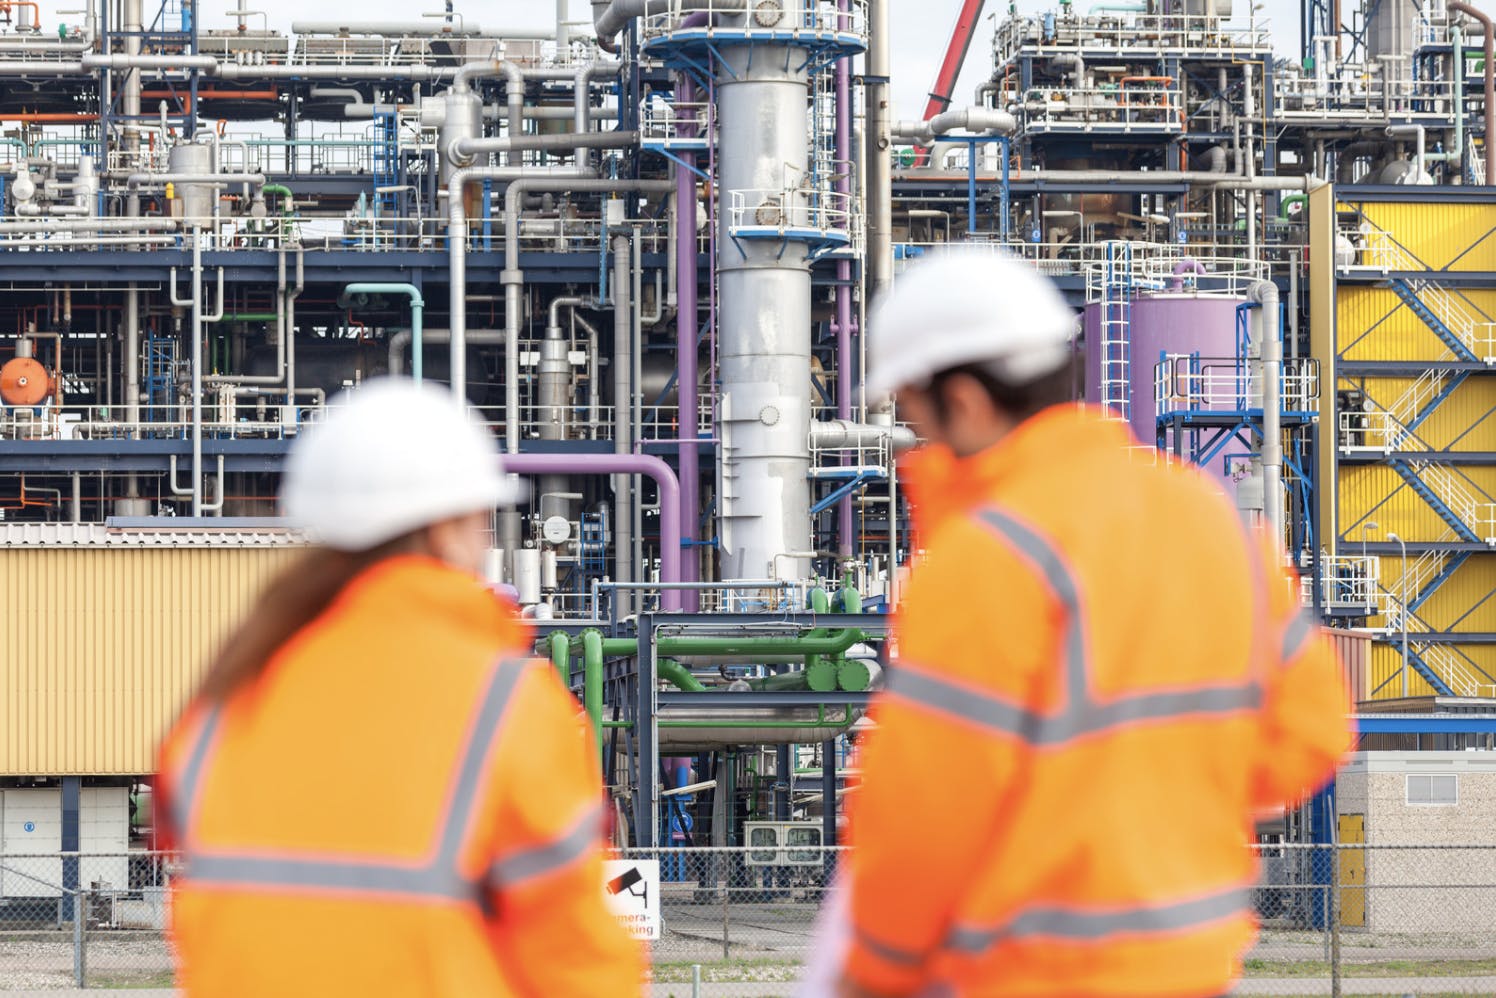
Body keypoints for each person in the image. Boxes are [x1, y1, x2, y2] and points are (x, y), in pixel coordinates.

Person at [832, 250, 1354, 998]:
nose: (913, 436)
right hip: (1194, 969)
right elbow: (1315, 730)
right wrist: (1166, 807)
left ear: (966, 400)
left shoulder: (989, 557)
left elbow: (925, 819)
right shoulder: (1201, 515)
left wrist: (871, 972)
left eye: (912, 412)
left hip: (1027, 978)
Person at [155, 378, 642, 997]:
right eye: (480, 523)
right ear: (444, 528)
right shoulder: (502, 703)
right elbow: (579, 962)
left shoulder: (229, 697)